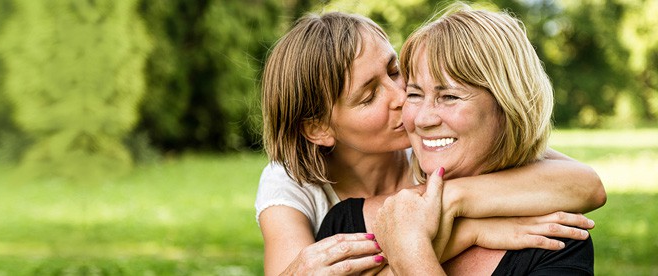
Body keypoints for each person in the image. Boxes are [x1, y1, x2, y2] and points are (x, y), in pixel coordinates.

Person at [256, 11, 606, 276]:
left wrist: (449, 200)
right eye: (368, 97)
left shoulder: (430, 144)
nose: (403, 100)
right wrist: (468, 231)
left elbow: (585, 183)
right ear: (317, 128)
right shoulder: (295, 188)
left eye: (396, 72)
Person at [373, 4, 597, 275]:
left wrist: (410, 253)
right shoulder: (353, 219)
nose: (422, 119)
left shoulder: (552, 238)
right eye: (415, 94)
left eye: (450, 97)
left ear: (507, 107)